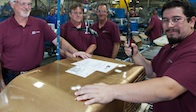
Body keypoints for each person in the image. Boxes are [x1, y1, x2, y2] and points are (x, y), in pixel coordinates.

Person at [75, 1, 196, 112]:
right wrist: (136, 55)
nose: (169, 25)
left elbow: (169, 88)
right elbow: (152, 72)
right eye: (165, 20)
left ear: (191, 21)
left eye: (176, 19)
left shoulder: (192, 50)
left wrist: (111, 91)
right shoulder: (169, 47)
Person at [0, 0, 91, 91]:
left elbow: (58, 40)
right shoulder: (2, 28)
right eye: (23, 3)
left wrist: (76, 52)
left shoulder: (40, 24)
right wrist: (1, 83)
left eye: (29, 4)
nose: (27, 7)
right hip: (10, 77)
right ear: (12, 4)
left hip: (35, 73)